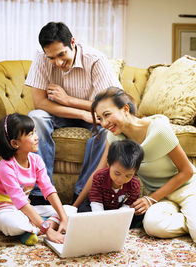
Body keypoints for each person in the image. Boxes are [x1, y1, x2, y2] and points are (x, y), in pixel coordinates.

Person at [74, 86, 196, 242]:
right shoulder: (114, 139)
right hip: (162, 197)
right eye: (99, 118)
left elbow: (187, 172)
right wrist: (73, 208)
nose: (103, 123)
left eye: (107, 115)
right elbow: (98, 172)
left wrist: (150, 199)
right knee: (151, 226)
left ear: (125, 109)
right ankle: (190, 219)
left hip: (187, 189)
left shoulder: (159, 129)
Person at [25, 22, 122, 205]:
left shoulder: (95, 59)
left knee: (108, 131)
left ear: (73, 42)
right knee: (36, 117)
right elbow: (40, 103)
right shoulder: (40, 57)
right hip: (60, 113)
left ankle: (82, 195)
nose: (58, 63)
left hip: (94, 114)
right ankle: (40, 194)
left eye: (62, 54)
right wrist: (80, 114)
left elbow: (110, 105)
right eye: (52, 58)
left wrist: (70, 100)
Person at [0, 113, 70, 246]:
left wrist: (64, 217)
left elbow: (48, 189)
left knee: (70, 210)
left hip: (26, 210)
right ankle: (42, 225)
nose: (37, 137)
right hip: (4, 210)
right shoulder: (5, 167)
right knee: (13, 225)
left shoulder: (36, 160)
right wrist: (48, 231)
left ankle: (32, 229)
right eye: (30, 134)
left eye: (35, 132)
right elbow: (20, 201)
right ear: (14, 143)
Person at [89, 139, 143, 214]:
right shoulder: (99, 177)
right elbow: (95, 200)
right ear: (108, 163)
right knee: (83, 209)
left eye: (128, 176)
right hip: (98, 206)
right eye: (117, 173)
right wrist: (100, 217)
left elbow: (128, 204)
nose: (121, 179)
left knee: (136, 214)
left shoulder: (134, 185)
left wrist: (119, 214)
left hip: (118, 211)